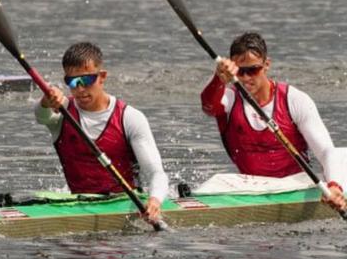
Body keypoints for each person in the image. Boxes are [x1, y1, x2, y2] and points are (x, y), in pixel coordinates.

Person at [201, 32, 346, 210]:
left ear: (266, 65)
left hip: (297, 184)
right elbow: (208, 107)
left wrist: (334, 186)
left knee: (340, 158)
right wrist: (218, 78)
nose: (246, 78)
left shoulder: (294, 100)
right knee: (214, 182)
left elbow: (326, 151)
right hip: (253, 187)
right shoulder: (230, 99)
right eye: (240, 71)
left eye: (253, 70)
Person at [35, 42, 168, 225]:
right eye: (73, 82)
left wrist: (154, 201)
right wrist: (45, 101)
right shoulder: (63, 112)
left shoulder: (130, 118)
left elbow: (156, 173)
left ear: (102, 77)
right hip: (78, 205)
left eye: (87, 80)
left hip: (123, 204)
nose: (80, 89)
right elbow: (41, 116)